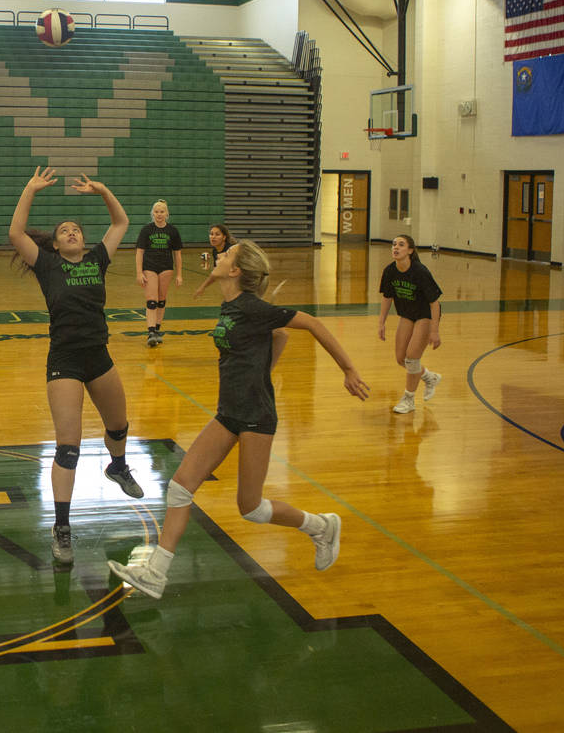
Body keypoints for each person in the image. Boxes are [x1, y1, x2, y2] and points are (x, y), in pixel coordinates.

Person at [107, 240, 370, 599]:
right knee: (180, 487)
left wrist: (349, 369)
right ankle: (156, 573)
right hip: (228, 412)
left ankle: (321, 526)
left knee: (252, 508)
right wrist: (264, 367)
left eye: (226, 255)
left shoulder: (252, 307)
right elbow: (279, 337)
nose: (219, 255)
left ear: (236, 272)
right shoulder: (230, 304)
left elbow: (309, 324)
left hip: (256, 416)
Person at [9, 166, 144, 566]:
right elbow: (16, 234)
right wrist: (29, 188)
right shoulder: (47, 265)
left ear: (84, 241)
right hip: (65, 360)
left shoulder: (99, 258)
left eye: (76, 230)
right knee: (69, 447)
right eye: (64, 230)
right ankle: (62, 529)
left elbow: (121, 222)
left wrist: (103, 189)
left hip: (99, 357)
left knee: (118, 426)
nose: (71, 232)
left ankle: (117, 467)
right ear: (54, 243)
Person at [377, 234, 442, 414]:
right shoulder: (390, 271)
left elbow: (435, 302)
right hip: (407, 314)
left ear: (410, 251)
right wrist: (381, 322)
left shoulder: (420, 271)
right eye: (394, 244)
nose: (395, 248)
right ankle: (429, 377)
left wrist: (435, 331)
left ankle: (409, 399)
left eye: (401, 245)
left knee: (412, 358)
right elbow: (387, 297)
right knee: (401, 359)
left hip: (425, 316)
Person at [135, 200, 183, 347]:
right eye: (156, 211)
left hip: (166, 267)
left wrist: (179, 274)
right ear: (152, 213)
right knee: (152, 300)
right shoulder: (146, 230)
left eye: (162, 211)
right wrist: (139, 272)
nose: (159, 214)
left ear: (167, 214)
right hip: (149, 267)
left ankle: (157, 329)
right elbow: (139, 252)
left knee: (161, 300)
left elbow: (178, 254)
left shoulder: (172, 231)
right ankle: (150, 332)